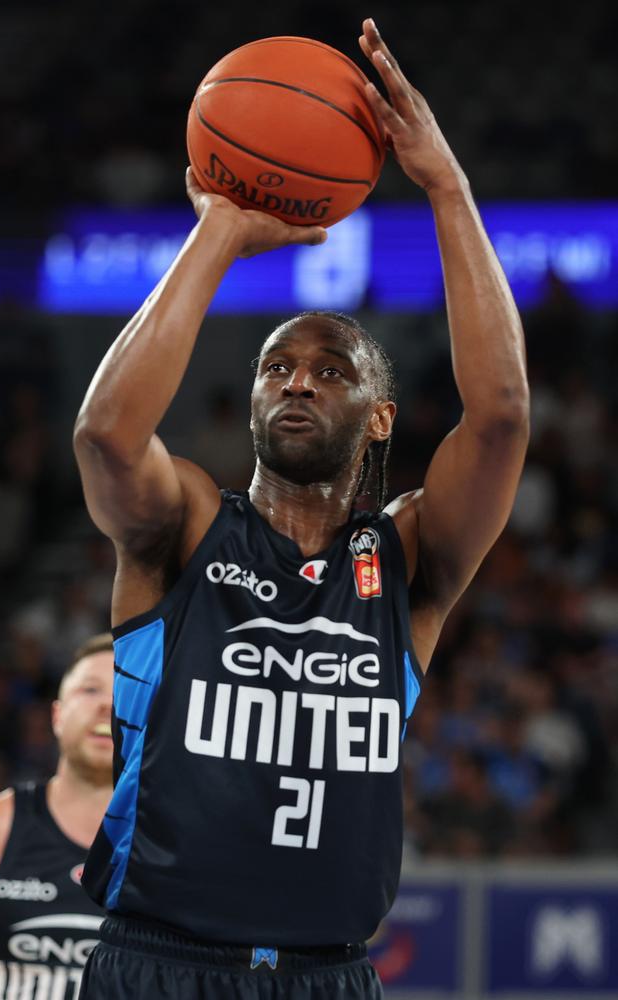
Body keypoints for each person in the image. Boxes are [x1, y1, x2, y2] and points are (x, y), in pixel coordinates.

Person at [73, 18, 529, 1000]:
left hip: (331, 976)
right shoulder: (188, 526)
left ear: (377, 419)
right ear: (248, 400)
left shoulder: (408, 553)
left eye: (329, 370)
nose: (296, 383)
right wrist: (219, 234)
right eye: (275, 366)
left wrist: (445, 187)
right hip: (158, 963)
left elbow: (498, 421)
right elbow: (106, 435)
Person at [0, 634, 114, 1000]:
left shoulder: (180, 845)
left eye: (127, 691)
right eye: (90, 690)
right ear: (57, 715)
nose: (108, 705)